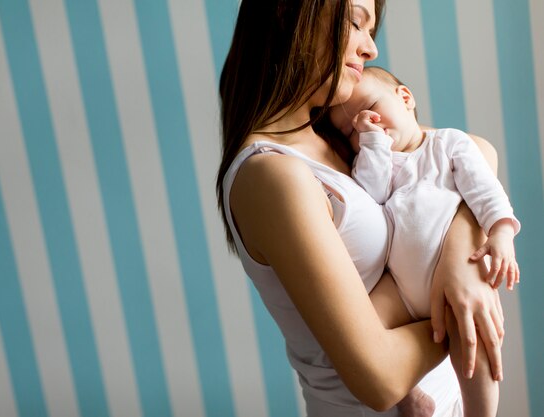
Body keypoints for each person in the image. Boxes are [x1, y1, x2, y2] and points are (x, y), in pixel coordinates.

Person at [216, 0, 505, 415]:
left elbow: (470, 149)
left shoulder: (335, 132)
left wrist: (458, 266)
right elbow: (380, 377)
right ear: (286, 12)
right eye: (355, 22)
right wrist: (457, 315)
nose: (371, 49)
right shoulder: (273, 176)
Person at [329, 66, 521, 417]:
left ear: (404, 98)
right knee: (362, 331)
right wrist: (372, 142)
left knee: (472, 337)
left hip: (453, 279)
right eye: (350, 130)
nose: (364, 124)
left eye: (370, 108)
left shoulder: (448, 143)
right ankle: (410, 397)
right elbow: (371, 192)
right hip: (402, 289)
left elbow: (484, 190)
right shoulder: (375, 168)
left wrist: (502, 232)